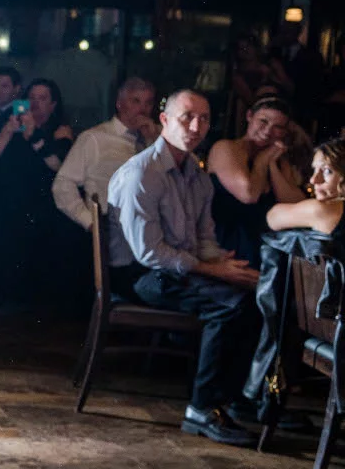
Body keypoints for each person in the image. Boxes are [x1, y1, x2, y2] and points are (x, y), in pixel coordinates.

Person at [107, 89, 262, 447]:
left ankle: (231, 399)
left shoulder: (197, 174)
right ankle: (201, 409)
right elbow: (148, 253)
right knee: (228, 305)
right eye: (186, 117)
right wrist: (214, 272)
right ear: (164, 120)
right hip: (138, 275)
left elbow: (203, 238)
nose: (195, 126)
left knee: (255, 294)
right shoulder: (142, 173)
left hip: (174, 269)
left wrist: (226, 264)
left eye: (204, 119)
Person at [0, 77, 74, 307]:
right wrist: (8, 131)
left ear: (53, 104)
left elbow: (58, 164)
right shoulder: (13, 124)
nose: (36, 104)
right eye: (31, 98)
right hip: (9, 198)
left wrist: (35, 137)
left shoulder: (60, 130)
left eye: (42, 99)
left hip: (40, 200)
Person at [207, 96, 306, 265]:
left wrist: (272, 165)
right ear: (249, 116)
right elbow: (249, 194)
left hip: (267, 249)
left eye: (278, 127)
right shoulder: (226, 148)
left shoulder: (278, 160)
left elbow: (296, 206)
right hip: (229, 245)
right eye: (263, 121)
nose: (268, 131)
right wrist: (262, 161)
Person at [53, 76, 159, 232]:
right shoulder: (95, 138)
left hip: (152, 227)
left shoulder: (158, 137)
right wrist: (90, 222)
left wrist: (153, 141)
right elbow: (63, 183)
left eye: (148, 103)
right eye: (135, 101)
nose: (143, 109)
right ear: (119, 103)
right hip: (112, 227)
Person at [266, 135, 345, 235]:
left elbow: (272, 217)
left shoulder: (324, 210)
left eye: (327, 171)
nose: (313, 180)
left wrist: (270, 163)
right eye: (314, 170)